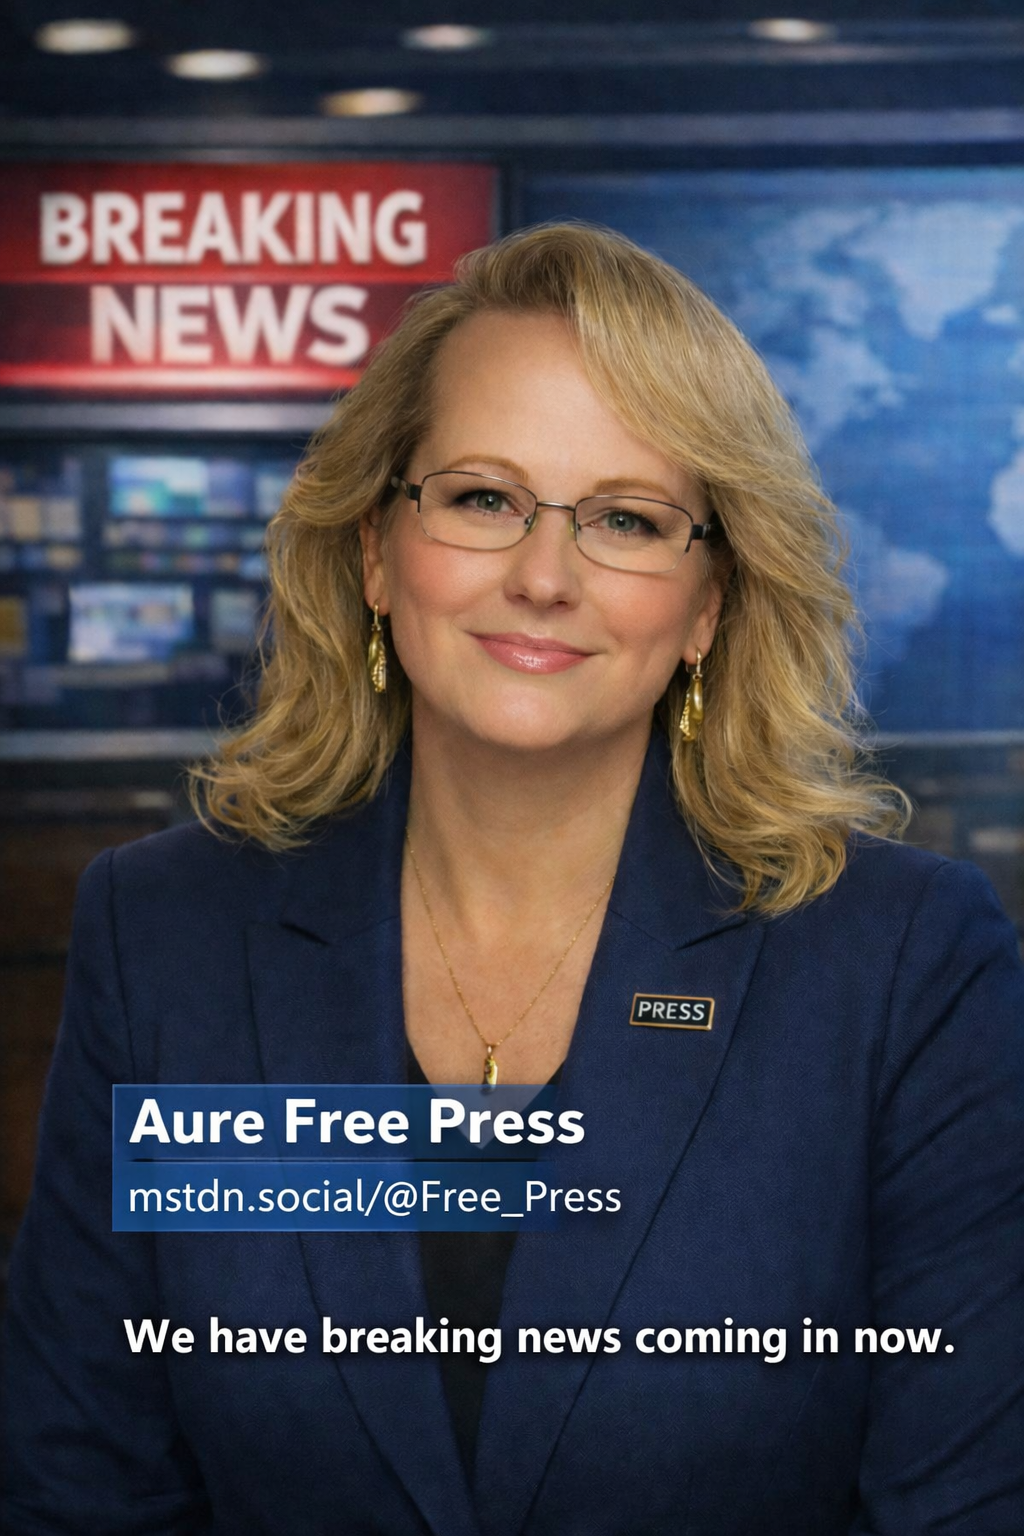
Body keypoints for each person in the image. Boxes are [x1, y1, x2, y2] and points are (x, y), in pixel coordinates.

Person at [3, 222, 1022, 1536]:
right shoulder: (166, 937)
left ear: (710, 604)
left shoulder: (904, 967)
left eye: (628, 520)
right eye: (483, 498)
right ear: (376, 549)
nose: (544, 578)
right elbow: (82, 1481)